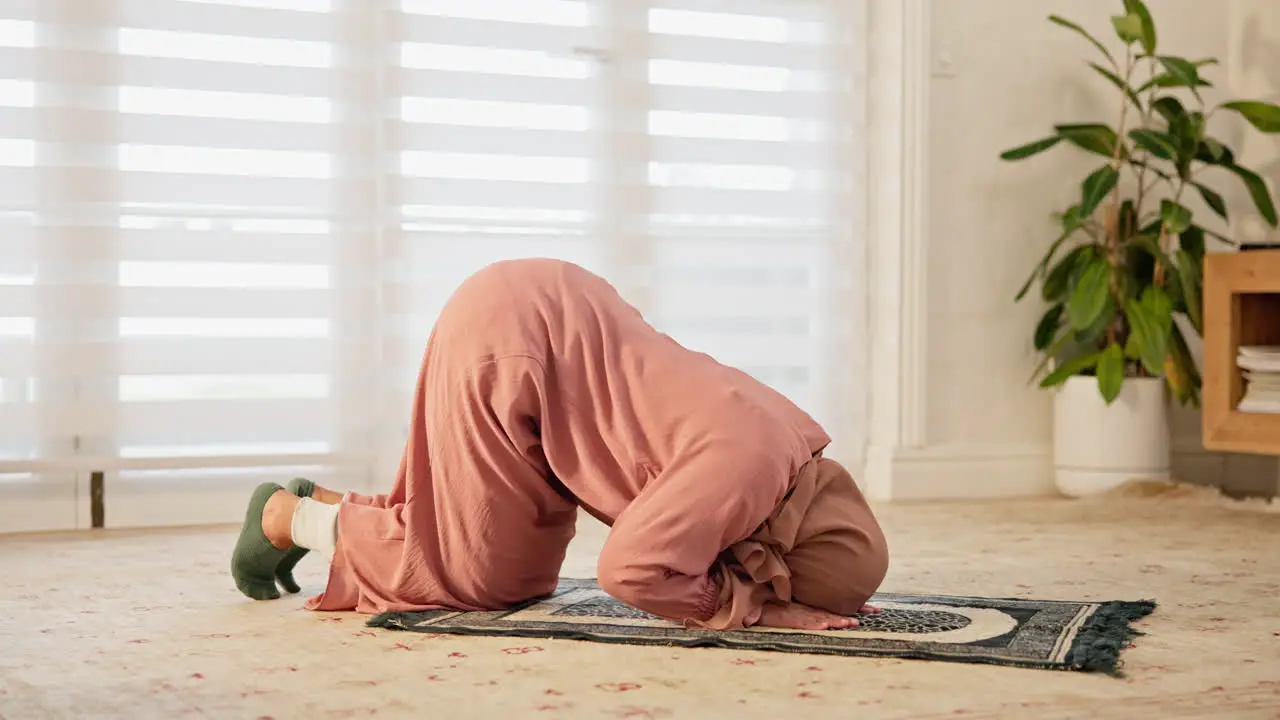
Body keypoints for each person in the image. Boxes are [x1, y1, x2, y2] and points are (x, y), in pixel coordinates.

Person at [231, 258, 889, 631]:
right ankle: (291, 520)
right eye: (772, 580)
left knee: (498, 550)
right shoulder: (738, 475)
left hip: (546, 321)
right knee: (483, 580)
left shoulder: (788, 448)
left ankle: (325, 504)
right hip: (516, 337)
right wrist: (753, 613)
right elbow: (632, 572)